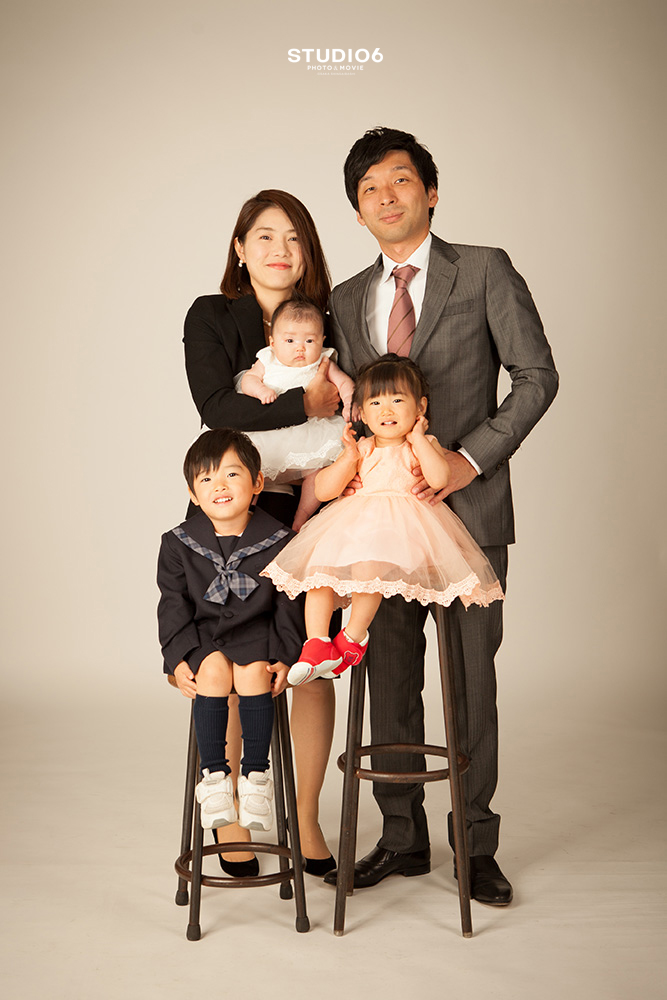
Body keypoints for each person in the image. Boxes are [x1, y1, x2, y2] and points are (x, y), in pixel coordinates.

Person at [325, 127, 559, 904]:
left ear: (429, 191)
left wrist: (468, 460)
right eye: (368, 188)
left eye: (399, 180)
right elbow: (348, 412)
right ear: (357, 211)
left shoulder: (484, 269)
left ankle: (474, 846)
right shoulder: (343, 299)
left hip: (471, 517)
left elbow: (535, 375)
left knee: (469, 686)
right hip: (382, 524)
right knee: (388, 680)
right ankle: (401, 839)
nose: (384, 196)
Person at [183, 191, 338, 876]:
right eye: (265, 236)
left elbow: (355, 405)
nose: (280, 249)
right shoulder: (212, 315)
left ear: (308, 253)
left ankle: (304, 817)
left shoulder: (329, 318)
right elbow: (217, 408)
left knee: (309, 659)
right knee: (235, 658)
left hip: (316, 501)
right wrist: (306, 402)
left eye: (294, 237)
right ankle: (235, 819)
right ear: (240, 248)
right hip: (236, 508)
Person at [262, 354, 504, 687]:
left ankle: (352, 637)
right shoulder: (361, 448)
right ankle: (317, 644)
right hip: (353, 528)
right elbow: (324, 490)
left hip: (401, 531)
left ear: (420, 408)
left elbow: (439, 478)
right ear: (361, 412)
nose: (386, 410)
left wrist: (419, 439)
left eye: (397, 400)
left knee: (368, 570)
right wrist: (347, 459)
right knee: (319, 573)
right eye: (375, 402)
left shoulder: (422, 445)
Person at [157, 429, 306, 834]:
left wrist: (286, 655)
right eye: (207, 479)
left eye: (232, 474)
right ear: (193, 493)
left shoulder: (279, 540)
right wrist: (179, 658)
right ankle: (215, 778)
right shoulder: (178, 543)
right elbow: (173, 605)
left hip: (257, 635)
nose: (219, 486)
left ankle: (256, 777)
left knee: (255, 671)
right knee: (212, 672)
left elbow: (288, 604)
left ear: (257, 483)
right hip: (203, 637)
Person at [237, 298, 354, 531]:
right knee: (249, 467)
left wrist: (350, 403)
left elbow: (344, 383)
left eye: (309, 340)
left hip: (312, 433)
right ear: (273, 342)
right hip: (271, 432)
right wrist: (261, 390)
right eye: (290, 340)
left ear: (322, 340)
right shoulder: (268, 359)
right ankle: (245, 512)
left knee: (317, 471)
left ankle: (302, 515)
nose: (300, 348)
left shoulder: (323, 361)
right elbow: (248, 380)